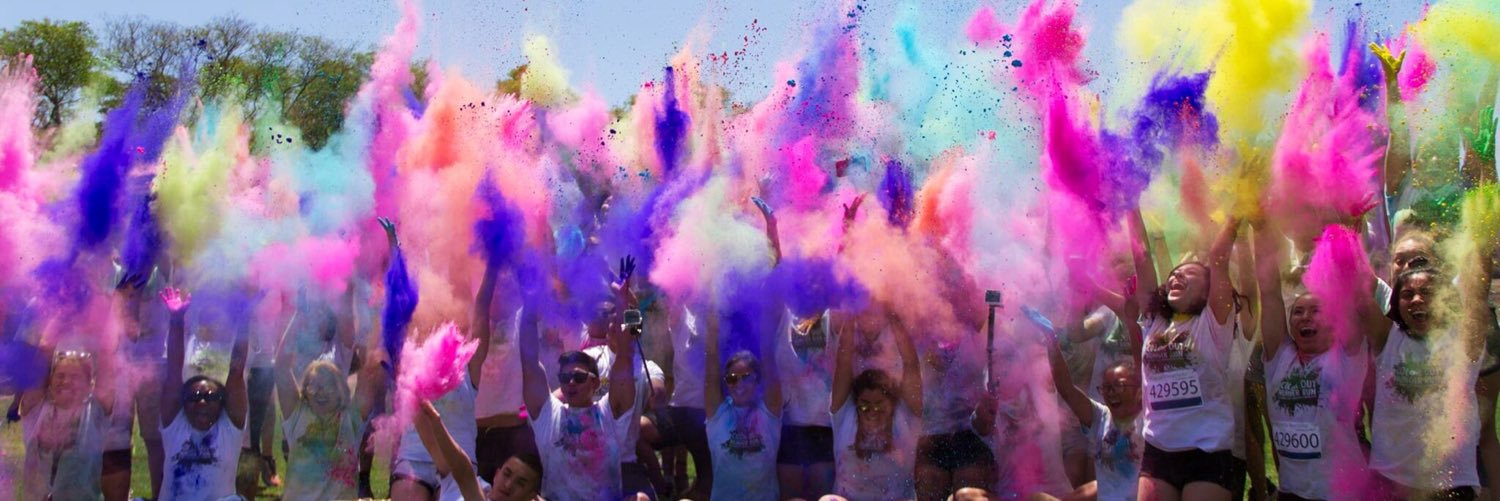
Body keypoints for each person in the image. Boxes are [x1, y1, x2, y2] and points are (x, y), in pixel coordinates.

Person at [1365, 236, 1492, 499]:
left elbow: (1479, 289)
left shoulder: (1462, 340)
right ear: (1396, 304)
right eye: (1407, 294)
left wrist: (1481, 231)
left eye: (1427, 293)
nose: (1417, 300)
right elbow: (1358, 294)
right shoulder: (1387, 339)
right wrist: (1346, 230)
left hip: (1450, 484)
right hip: (1392, 484)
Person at [1253, 221, 1370, 501]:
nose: (1305, 317)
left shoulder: (1346, 358)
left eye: (1315, 310)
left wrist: (1347, 239)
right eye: (1298, 312)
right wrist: (1259, 225)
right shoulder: (1279, 358)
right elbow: (1269, 292)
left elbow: (1353, 294)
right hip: (1292, 492)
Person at [1133, 217, 1242, 501]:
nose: (1175, 276)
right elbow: (1142, 256)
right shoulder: (1154, 322)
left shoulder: (1214, 323)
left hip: (1205, 453)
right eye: (1173, 273)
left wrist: (1238, 213)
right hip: (1158, 452)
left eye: (1188, 273)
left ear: (1208, 290)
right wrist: (1129, 200)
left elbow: (1218, 258)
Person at [519, 271, 640, 500]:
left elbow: (627, 352)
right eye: (564, 378)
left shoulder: (608, 414)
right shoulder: (549, 415)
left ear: (595, 382)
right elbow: (529, 361)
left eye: (578, 376)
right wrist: (529, 304)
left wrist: (628, 305)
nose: (570, 382)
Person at [1030, 282, 1146, 501]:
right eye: (1107, 388)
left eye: (1119, 386)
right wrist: (1051, 342)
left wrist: (1131, 323)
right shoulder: (1101, 416)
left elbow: (1144, 364)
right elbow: (1066, 388)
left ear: (1140, 388)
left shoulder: (1148, 418)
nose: (1111, 393)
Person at [273, 288, 384, 501]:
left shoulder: (350, 420)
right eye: (315, 385)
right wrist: (299, 313)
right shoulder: (296, 416)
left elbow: (368, 371)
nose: (321, 391)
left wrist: (379, 315)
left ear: (341, 390)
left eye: (328, 385)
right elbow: (281, 367)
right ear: (305, 391)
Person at [157, 286, 250, 501]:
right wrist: (177, 320)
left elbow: (236, 372)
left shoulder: (229, 429)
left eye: (210, 397)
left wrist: (244, 319)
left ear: (221, 403)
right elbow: (173, 372)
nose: (201, 402)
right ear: (183, 402)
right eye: (193, 397)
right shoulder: (175, 425)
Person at [829, 307, 921, 500]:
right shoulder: (845, 415)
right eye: (864, 405)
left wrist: (892, 313)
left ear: (892, 403)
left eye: (879, 405)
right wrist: (851, 315)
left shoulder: (905, 417)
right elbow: (844, 362)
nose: (871, 411)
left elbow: (911, 363)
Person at [704, 302, 783, 501]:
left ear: (757, 379)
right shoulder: (718, 413)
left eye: (746, 377)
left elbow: (768, 355)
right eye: (732, 378)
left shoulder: (769, 411)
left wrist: (767, 310)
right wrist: (714, 310)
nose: (739, 383)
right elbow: (712, 358)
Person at [20, 347, 117, 500]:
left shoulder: (95, 414)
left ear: (89, 385)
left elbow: (107, 356)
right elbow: (40, 364)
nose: (66, 381)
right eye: (60, 376)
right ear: (50, 382)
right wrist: (55, 326)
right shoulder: (37, 412)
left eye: (75, 377)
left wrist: (102, 327)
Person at [414, 399, 544, 501]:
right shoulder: (461, 484)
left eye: (520, 483)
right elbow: (432, 445)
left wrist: (436, 421)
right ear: (497, 474)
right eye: (507, 474)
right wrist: (411, 396)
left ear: (530, 496)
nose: (508, 485)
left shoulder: (468, 482)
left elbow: (464, 473)